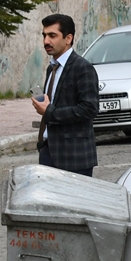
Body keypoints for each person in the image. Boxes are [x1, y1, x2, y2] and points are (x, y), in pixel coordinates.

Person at [32, 13, 99, 176]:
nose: (46, 41)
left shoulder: (82, 68)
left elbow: (89, 109)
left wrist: (49, 111)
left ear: (68, 39)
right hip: (49, 152)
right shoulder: (52, 68)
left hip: (74, 158)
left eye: (52, 36)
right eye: (44, 35)